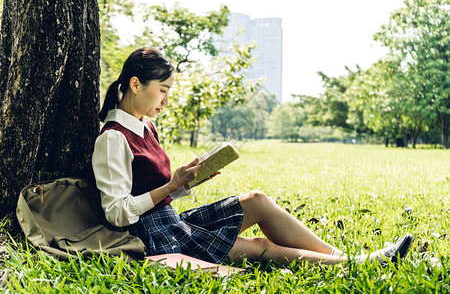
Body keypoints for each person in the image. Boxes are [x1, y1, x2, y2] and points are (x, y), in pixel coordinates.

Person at [92, 47, 412, 266]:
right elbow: (117, 214)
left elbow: (158, 192)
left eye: (169, 92)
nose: (166, 99)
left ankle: (347, 259)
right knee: (262, 248)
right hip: (155, 236)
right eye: (162, 90)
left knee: (258, 199)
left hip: (173, 221)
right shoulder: (113, 139)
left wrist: (186, 182)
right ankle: (355, 264)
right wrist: (171, 186)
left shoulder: (146, 127)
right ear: (135, 84)